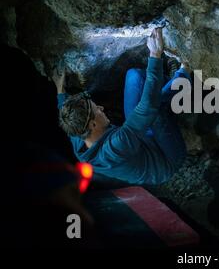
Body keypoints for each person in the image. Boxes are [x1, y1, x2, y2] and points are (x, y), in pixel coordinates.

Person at [53, 28, 191, 185]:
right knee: (155, 110)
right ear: (93, 124)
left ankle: (170, 82)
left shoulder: (80, 136)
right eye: (96, 109)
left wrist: (60, 89)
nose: (101, 109)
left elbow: (65, 113)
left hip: (141, 140)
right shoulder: (116, 147)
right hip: (166, 159)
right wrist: (155, 54)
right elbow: (147, 109)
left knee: (134, 76)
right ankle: (183, 77)